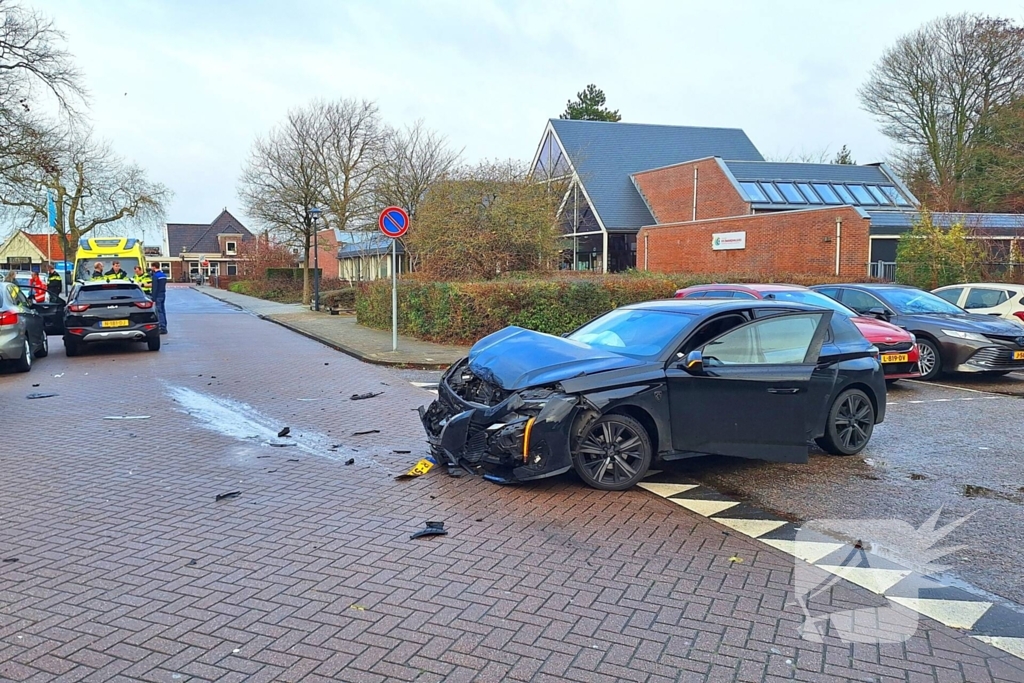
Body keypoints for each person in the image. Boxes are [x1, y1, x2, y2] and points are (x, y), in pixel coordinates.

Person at [150, 262, 167, 334]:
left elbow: (155, 288)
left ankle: (162, 328)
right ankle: (164, 325)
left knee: (159, 311)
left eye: (151, 267)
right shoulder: (163, 275)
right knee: (163, 310)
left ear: (154, 267)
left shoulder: (155, 276)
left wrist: (153, 298)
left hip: (157, 295)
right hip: (163, 294)